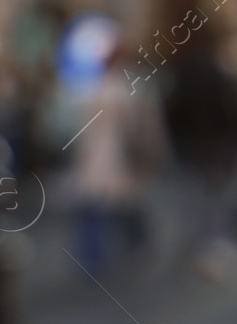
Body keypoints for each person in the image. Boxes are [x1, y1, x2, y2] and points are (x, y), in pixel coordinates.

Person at [68, 41, 168, 274]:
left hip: (103, 157)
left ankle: (98, 257)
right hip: (115, 158)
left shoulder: (98, 88)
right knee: (120, 207)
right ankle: (128, 250)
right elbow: (143, 129)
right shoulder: (127, 89)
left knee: (102, 208)